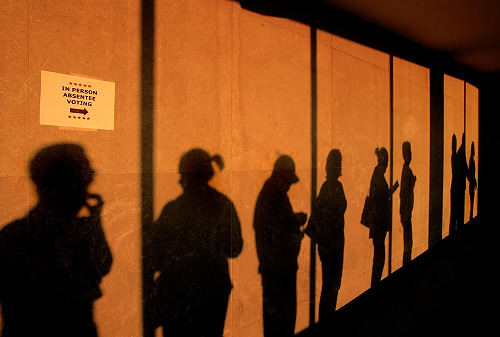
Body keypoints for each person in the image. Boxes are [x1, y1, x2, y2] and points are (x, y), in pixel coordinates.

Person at [0, 143, 112, 337]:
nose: (87, 190)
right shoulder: (76, 232)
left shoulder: (12, 234)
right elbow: (100, 268)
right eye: (84, 181)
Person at [151, 148, 243, 337]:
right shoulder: (224, 205)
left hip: (179, 297)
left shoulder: (173, 210)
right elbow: (235, 248)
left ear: (186, 176)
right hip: (214, 293)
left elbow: (155, 256)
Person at [254, 155, 307, 337]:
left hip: (275, 273)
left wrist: (294, 219)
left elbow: (280, 223)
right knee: (282, 324)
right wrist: (297, 232)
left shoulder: (272, 194)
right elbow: (279, 235)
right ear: (281, 177)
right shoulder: (275, 196)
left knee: (277, 324)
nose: (290, 186)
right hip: (279, 274)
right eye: (288, 181)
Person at [306, 149, 346, 320]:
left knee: (330, 285)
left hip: (331, 244)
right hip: (332, 244)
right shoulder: (332, 187)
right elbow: (325, 214)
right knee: (331, 285)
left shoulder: (332, 186)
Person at [368, 147, 398, 287]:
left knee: (379, 255)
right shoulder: (378, 177)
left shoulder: (377, 176)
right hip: (379, 223)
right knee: (380, 256)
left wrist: (391, 190)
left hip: (378, 223)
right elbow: (379, 199)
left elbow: (380, 197)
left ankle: (376, 283)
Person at [400, 142, 416, 266]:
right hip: (406, 211)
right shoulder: (406, 171)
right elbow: (404, 193)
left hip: (406, 211)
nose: (410, 155)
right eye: (408, 152)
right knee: (408, 242)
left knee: (408, 241)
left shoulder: (406, 170)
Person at [467, 142, 477, 222]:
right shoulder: (471, 160)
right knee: (472, 201)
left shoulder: (471, 160)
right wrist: (473, 181)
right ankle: (470, 217)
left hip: (472, 183)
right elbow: (470, 173)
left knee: (472, 201)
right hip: (471, 183)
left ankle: (471, 216)